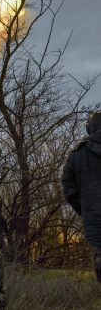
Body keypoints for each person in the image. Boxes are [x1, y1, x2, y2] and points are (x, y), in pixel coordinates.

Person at [62, 111, 101, 284]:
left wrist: (85, 209)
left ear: (90, 128)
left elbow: (68, 188)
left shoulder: (76, 155)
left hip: (94, 217)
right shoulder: (77, 154)